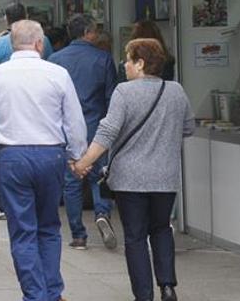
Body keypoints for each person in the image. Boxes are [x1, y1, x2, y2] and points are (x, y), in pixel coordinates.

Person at [0, 20, 87, 301]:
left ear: (13, 44)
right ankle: (52, 291)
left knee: (23, 230)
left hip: (12, 156)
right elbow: (74, 120)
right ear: (39, 43)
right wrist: (77, 155)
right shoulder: (58, 74)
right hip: (51, 155)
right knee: (49, 226)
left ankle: (35, 295)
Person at [72, 39, 193, 301]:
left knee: (135, 237)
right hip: (165, 178)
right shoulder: (176, 91)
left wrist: (83, 162)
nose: (124, 65)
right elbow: (188, 128)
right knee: (161, 228)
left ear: (140, 63)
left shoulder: (124, 92)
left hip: (129, 180)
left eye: (128, 59)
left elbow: (107, 132)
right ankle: (168, 286)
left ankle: (144, 294)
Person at [49, 13, 118, 250]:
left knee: (71, 181)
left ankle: (78, 234)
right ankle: (102, 213)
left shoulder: (56, 59)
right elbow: (111, 97)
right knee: (100, 175)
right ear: (89, 33)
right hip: (96, 126)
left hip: (66, 128)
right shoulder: (103, 58)